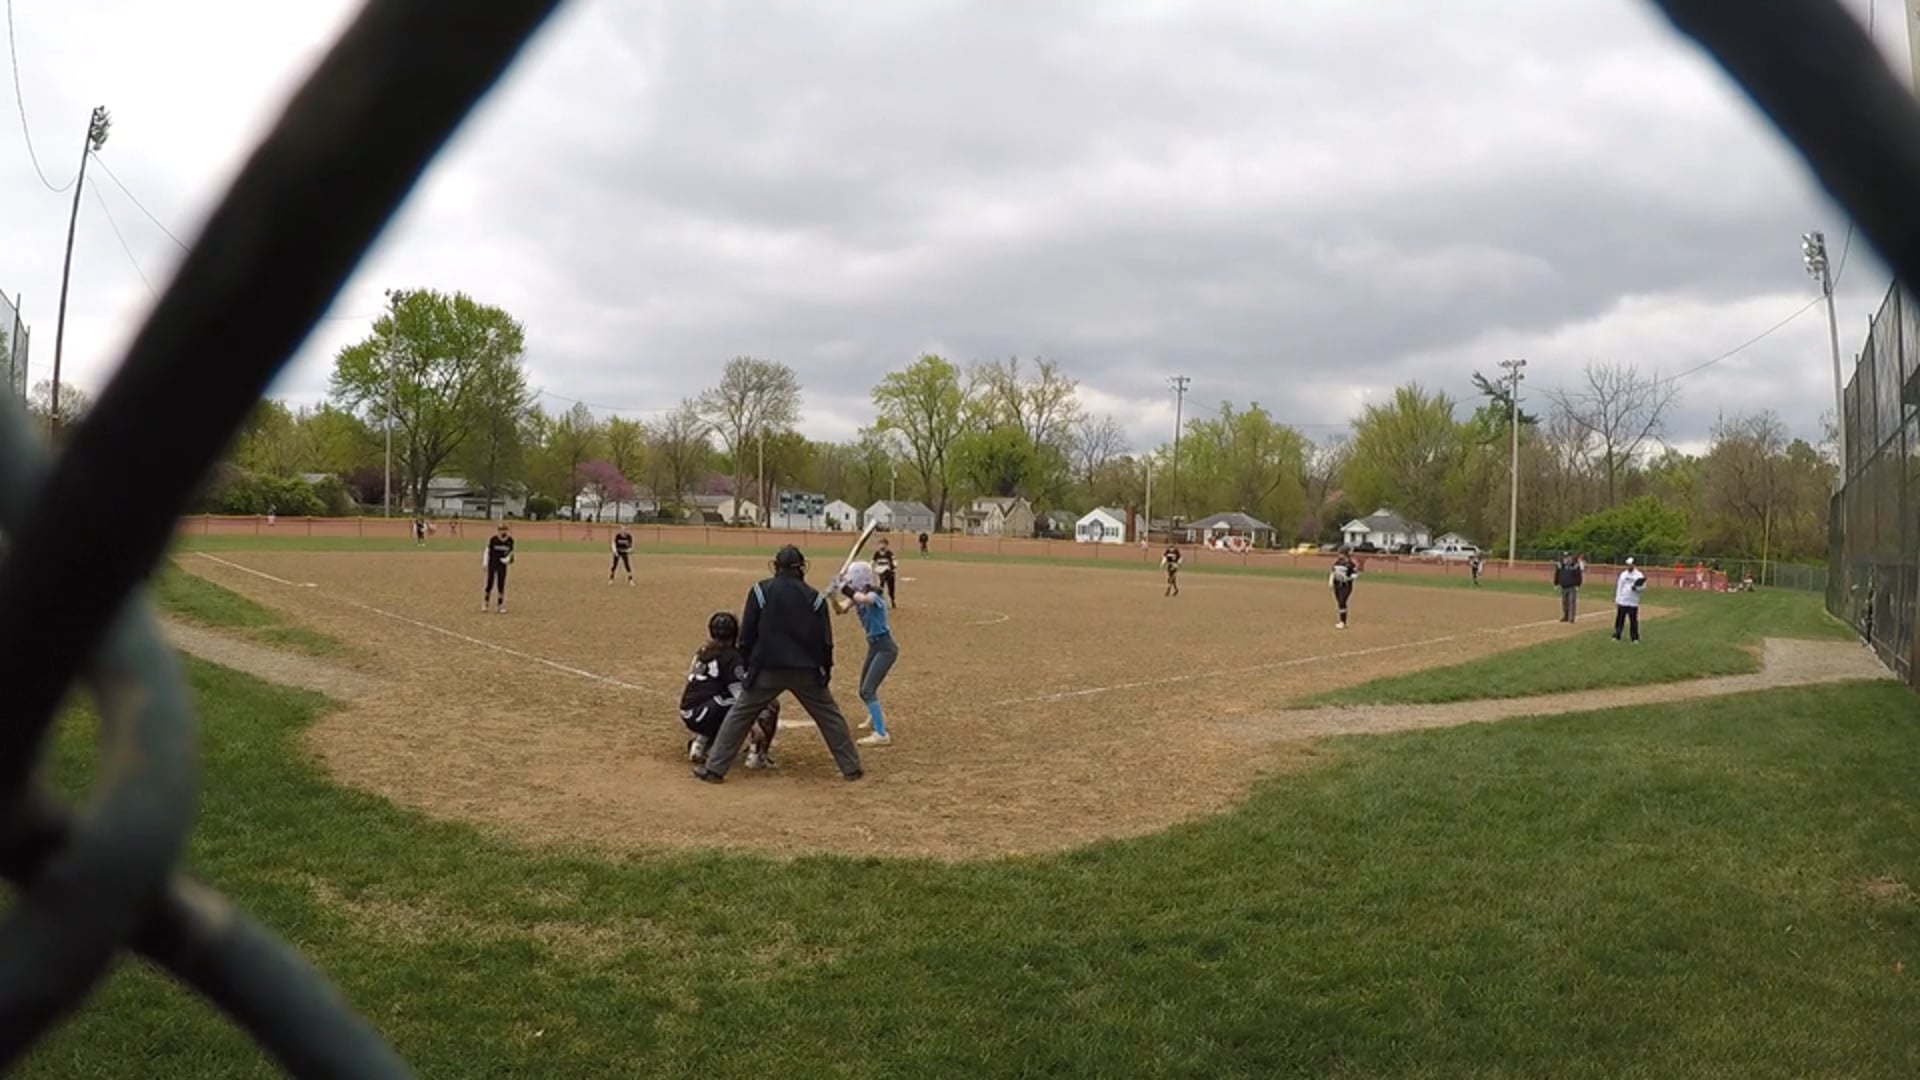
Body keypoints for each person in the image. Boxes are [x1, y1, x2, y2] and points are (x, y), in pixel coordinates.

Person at [692, 545, 864, 783]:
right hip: (806, 672)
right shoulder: (815, 598)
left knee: (739, 715)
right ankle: (851, 768)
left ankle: (715, 769)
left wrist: (748, 667)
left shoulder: (760, 591)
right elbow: (825, 642)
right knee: (830, 717)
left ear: (776, 566)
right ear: (802, 568)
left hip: (766, 670)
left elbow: (747, 635)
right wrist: (825, 669)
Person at [680, 611, 780, 770]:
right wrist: (754, 725)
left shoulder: (704, 651)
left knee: (722, 700)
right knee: (767, 704)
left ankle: (701, 742)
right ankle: (757, 754)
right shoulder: (731, 657)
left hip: (689, 711)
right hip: (705, 712)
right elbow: (740, 696)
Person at [833, 561, 898, 748]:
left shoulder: (874, 593)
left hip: (885, 647)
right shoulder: (858, 595)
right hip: (874, 647)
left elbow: (865, 600)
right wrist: (832, 596)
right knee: (864, 690)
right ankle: (875, 714)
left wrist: (843, 587)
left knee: (868, 690)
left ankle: (881, 734)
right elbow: (840, 609)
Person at [1613, 556, 1647, 643]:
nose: (1628, 566)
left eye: (1630, 564)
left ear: (1634, 565)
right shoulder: (1623, 574)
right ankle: (1617, 635)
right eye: (1627, 564)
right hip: (1623, 601)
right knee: (1620, 619)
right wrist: (1617, 599)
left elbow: (1643, 587)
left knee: (1633, 620)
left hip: (1633, 601)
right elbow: (1619, 587)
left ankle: (1634, 637)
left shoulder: (1639, 575)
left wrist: (1636, 588)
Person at [482, 522, 514, 613]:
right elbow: (487, 551)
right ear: (498, 531)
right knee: (490, 583)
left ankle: (500, 605)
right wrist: (485, 562)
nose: (503, 531)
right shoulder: (493, 539)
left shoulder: (510, 540)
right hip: (492, 564)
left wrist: (507, 560)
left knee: (501, 584)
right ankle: (486, 603)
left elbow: (510, 553)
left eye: (505, 530)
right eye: (501, 530)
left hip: (502, 566)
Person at [1330, 549, 1360, 629]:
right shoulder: (1337, 562)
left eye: (1341, 554)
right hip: (1337, 584)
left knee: (1342, 601)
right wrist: (1331, 582)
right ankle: (1342, 621)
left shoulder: (1350, 564)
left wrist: (1349, 578)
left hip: (1346, 585)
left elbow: (1355, 574)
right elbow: (1333, 572)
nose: (1339, 555)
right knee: (1339, 603)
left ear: (1345, 554)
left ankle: (1343, 622)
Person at [1553, 551, 1584, 623]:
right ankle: (1565, 616)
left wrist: (1578, 585)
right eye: (1564, 557)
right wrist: (1556, 583)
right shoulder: (1560, 565)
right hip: (1563, 586)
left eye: (1567, 557)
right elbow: (1557, 574)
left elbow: (1578, 575)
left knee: (1571, 602)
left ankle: (1571, 617)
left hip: (1572, 586)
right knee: (1564, 602)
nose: (1566, 558)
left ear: (1570, 557)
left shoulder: (1575, 565)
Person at [872, 538, 899, 607]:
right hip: (879, 572)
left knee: (891, 587)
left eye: (884, 544)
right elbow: (872, 562)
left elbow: (895, 562)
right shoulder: (877, 554)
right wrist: (871, 567)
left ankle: (892, 599)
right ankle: (879, 601)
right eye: (880, 544)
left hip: (888, 572)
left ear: (887, 545)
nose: (882, 546)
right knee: (880, 587)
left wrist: (893, 567)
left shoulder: (890, 553)